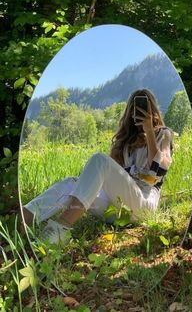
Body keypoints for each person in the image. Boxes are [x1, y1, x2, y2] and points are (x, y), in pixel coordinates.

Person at [22, 88, 174, 245]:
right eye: (135, 108)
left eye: (144, 107)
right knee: (71, 183)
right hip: (116, 210)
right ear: (130, 111)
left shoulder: (163, 133)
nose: (139, 111)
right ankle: (23, 220)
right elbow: (110, 179)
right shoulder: (127, 140)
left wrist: (149, 130)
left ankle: (59, 229)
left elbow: (157, 172)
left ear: (152, 109)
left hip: (142, 204)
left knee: (99, 160)